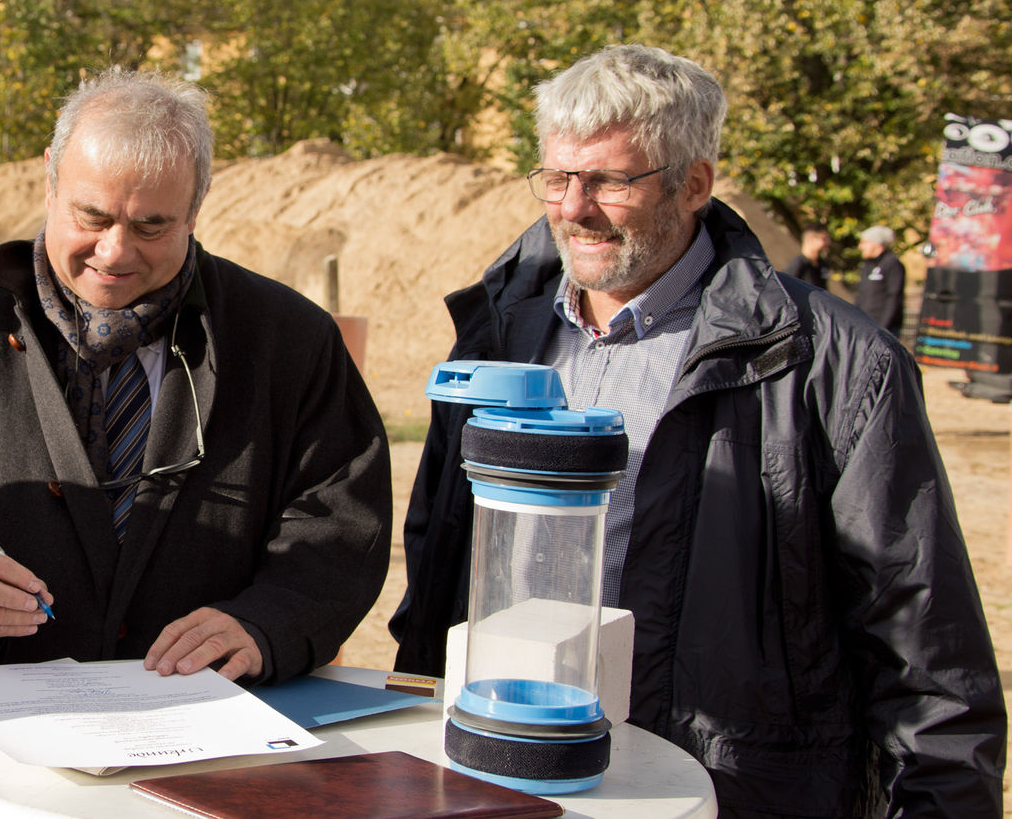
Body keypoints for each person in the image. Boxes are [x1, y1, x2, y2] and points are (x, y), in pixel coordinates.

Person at [388, 44, 1004, 816]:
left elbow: (924, 646)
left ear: (695, 184)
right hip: (500, 775)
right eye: (556, 177)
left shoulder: (835, 363)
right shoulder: (494, 332)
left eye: (610, 180)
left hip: (731, 790)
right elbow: (439, 566)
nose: (573, 207)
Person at [0, 68, 391, 689]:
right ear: (50, 181)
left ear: (196, 207)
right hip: (2, 735)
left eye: (152, 227)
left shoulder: (291, 342)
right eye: (92, 217)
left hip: (219, 731)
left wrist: (266, 624)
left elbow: (340, 519)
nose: (115, 252)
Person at [855, 224, 906, 337]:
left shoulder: (892, 264)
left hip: (883, 329)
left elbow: (894, 297)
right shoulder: (866, 265)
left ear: (876, 244)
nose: (860, 247)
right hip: (864, 325)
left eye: (864, 242)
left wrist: (882, 328)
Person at [782, 220, 830, 289]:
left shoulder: (822, 265)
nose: (828, 243)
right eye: (825, 239)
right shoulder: (798, 265)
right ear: (811, 239)